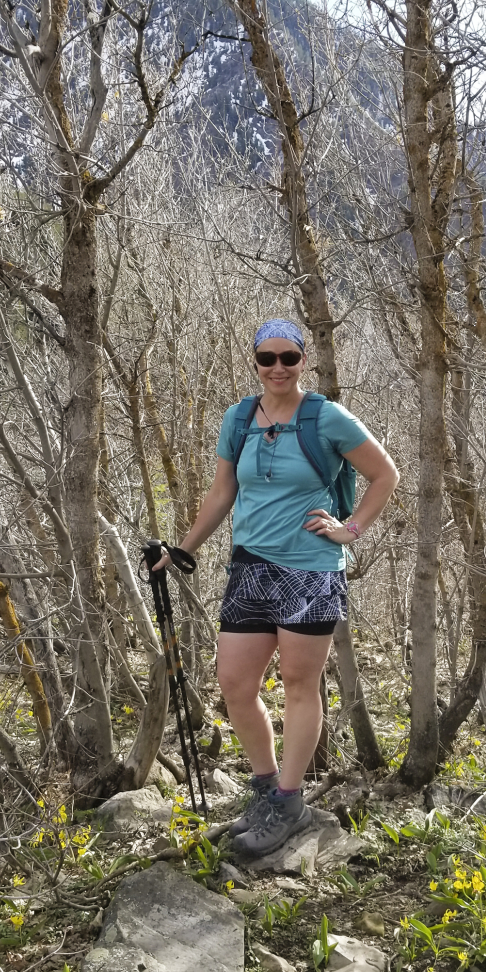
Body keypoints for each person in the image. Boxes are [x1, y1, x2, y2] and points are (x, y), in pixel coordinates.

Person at [153, 319, 398, 856]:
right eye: (268, 358)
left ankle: (289, 801)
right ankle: (267, 792)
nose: (279, 368)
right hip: (251, 567)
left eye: (289, 357)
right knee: (235, 684)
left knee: (297, 684)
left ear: (303, 360)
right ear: (256, 362)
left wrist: (349, 529)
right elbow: (222, 491)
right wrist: (183, 549)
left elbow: (386, 475)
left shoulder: (326, 418)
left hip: (311, 568)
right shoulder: (239, 418)